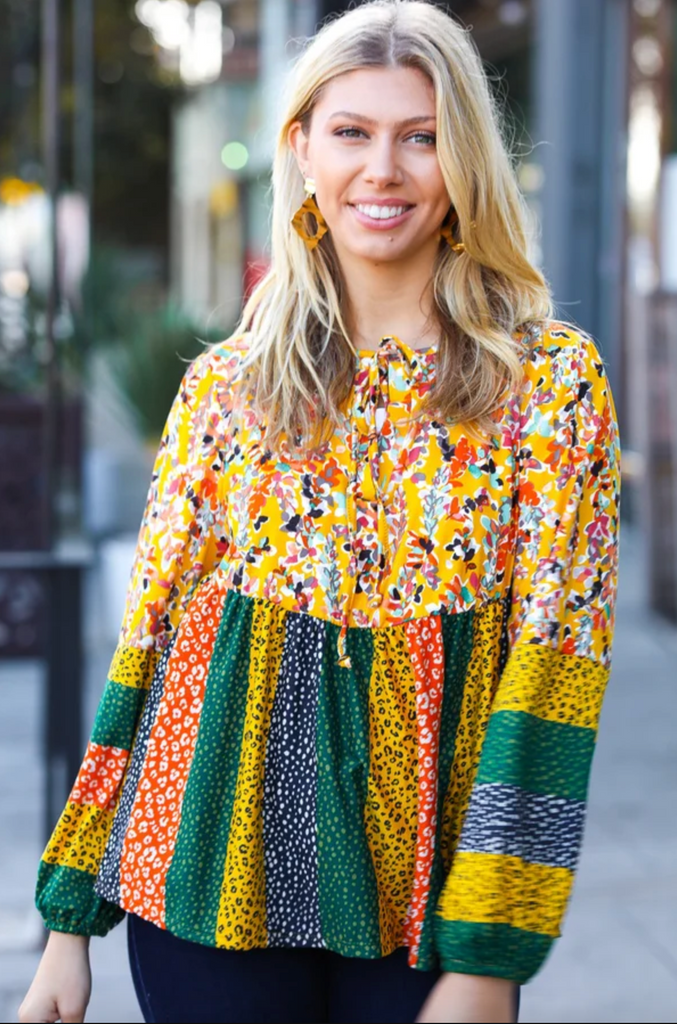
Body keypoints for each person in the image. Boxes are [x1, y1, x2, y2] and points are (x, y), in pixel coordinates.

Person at [19, 1, 621, 1022]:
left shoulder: (548, 385)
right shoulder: (226, 388)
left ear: (461, 161)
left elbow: (554, 668)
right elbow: (152, 649)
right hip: (205, 878)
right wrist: (67, 921)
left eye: (419, 137)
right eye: (350, 132)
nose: (381, 170)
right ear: (299, 149)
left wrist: (489, 954)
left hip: (425, 901)